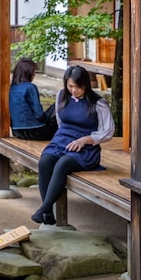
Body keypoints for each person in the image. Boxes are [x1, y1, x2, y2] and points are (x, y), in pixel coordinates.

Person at [30, 65, 115, 225]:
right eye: (70, 86)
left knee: (63, 164)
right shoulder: (62, 95)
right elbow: (61, 123)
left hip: (86, 148)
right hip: (62, 140)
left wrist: (85, 140)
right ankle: (48, 214)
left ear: (85, 85)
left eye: (78, 86)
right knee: (46, 161)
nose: (73, 90)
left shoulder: (98, 103)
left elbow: (108, 131)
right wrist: (63, 139)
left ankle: (43, 209)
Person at [9, 58, 57, 140]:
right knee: (59, 104)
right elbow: (39, 114)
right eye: (33, 73)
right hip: (35, 131)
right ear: (28, 73)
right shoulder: (30, 87)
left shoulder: (12, 88)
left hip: (16, 131)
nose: (34, 75)